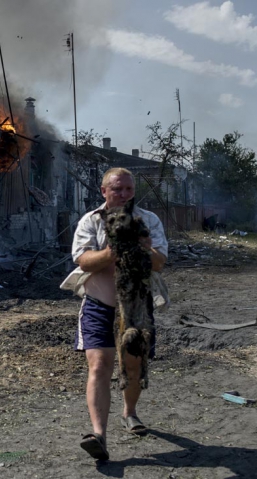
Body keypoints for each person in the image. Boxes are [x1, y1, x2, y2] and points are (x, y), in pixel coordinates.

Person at [60, 167, 168, 461]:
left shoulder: (148, 220)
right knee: (99, 365)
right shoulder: (90, 220)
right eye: (117, 189)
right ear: (103, 190)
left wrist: (145, 249)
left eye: (128, 190)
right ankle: (99, 435)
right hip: (98, 302)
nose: (123, 194)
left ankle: (129, 412)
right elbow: (82, 259)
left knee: (133, 365)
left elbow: (159, 262)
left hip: (135, 305)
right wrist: (113, 251)